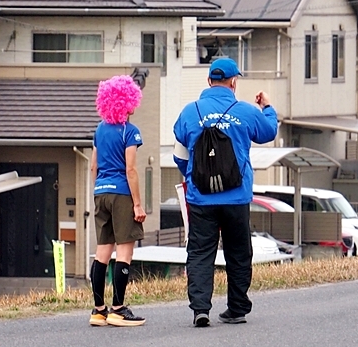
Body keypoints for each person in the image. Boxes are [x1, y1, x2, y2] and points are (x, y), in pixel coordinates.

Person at [173, 57, 279, 327]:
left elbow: (179, 156)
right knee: (238, 252)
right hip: (236, 196)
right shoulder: (244, 111)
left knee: (200, 252)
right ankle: (237, 308)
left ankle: (200, 309)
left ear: (209, 81)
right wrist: (267, 107)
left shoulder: (190, 112)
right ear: (234, 82)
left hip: (200, 197)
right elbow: (269, 132)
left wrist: (194, 176)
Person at [89, 75, 147, 327]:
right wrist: (137, 204)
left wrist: (98, 190)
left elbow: (93, 166)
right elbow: (130, 170)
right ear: (128, 102)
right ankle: (118, 308)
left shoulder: (99, 130)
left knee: (102, 252)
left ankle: (99, 310)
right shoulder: (130, 132)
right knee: (124, 251)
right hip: (122, 194)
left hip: (100, 192)